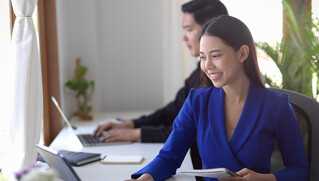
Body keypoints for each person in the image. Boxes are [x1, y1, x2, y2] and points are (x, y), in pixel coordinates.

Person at [108, 15, 309, 181]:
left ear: (242, 53)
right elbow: (169, 157)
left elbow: (299, 170)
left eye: (216, 55)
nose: (208, 66)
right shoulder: (197, 102)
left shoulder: (276, 106)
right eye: (203, 57)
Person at [93, 0, 228, 144]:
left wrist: (136, 133)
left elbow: (190, 130)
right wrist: (131, 124)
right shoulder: (199, 72)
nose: (183, 37)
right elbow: (171, 111)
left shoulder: (218, 79)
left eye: (189, 29)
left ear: (210, 29)